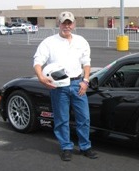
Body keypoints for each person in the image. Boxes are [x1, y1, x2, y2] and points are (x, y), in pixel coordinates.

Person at [33, 11, 97, 161]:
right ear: (59, 24)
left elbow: (86, 63)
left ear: (74, 24)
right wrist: (41, 77)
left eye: (69, 23)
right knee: (62, 119)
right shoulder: (49, 42)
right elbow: (38, 61)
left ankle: (85, 147)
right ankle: (66, 147)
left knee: (84, 118)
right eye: (64, 23)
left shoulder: (81, 41)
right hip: (58, 86)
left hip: (77, 84)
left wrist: (85, 81)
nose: (66, 26)